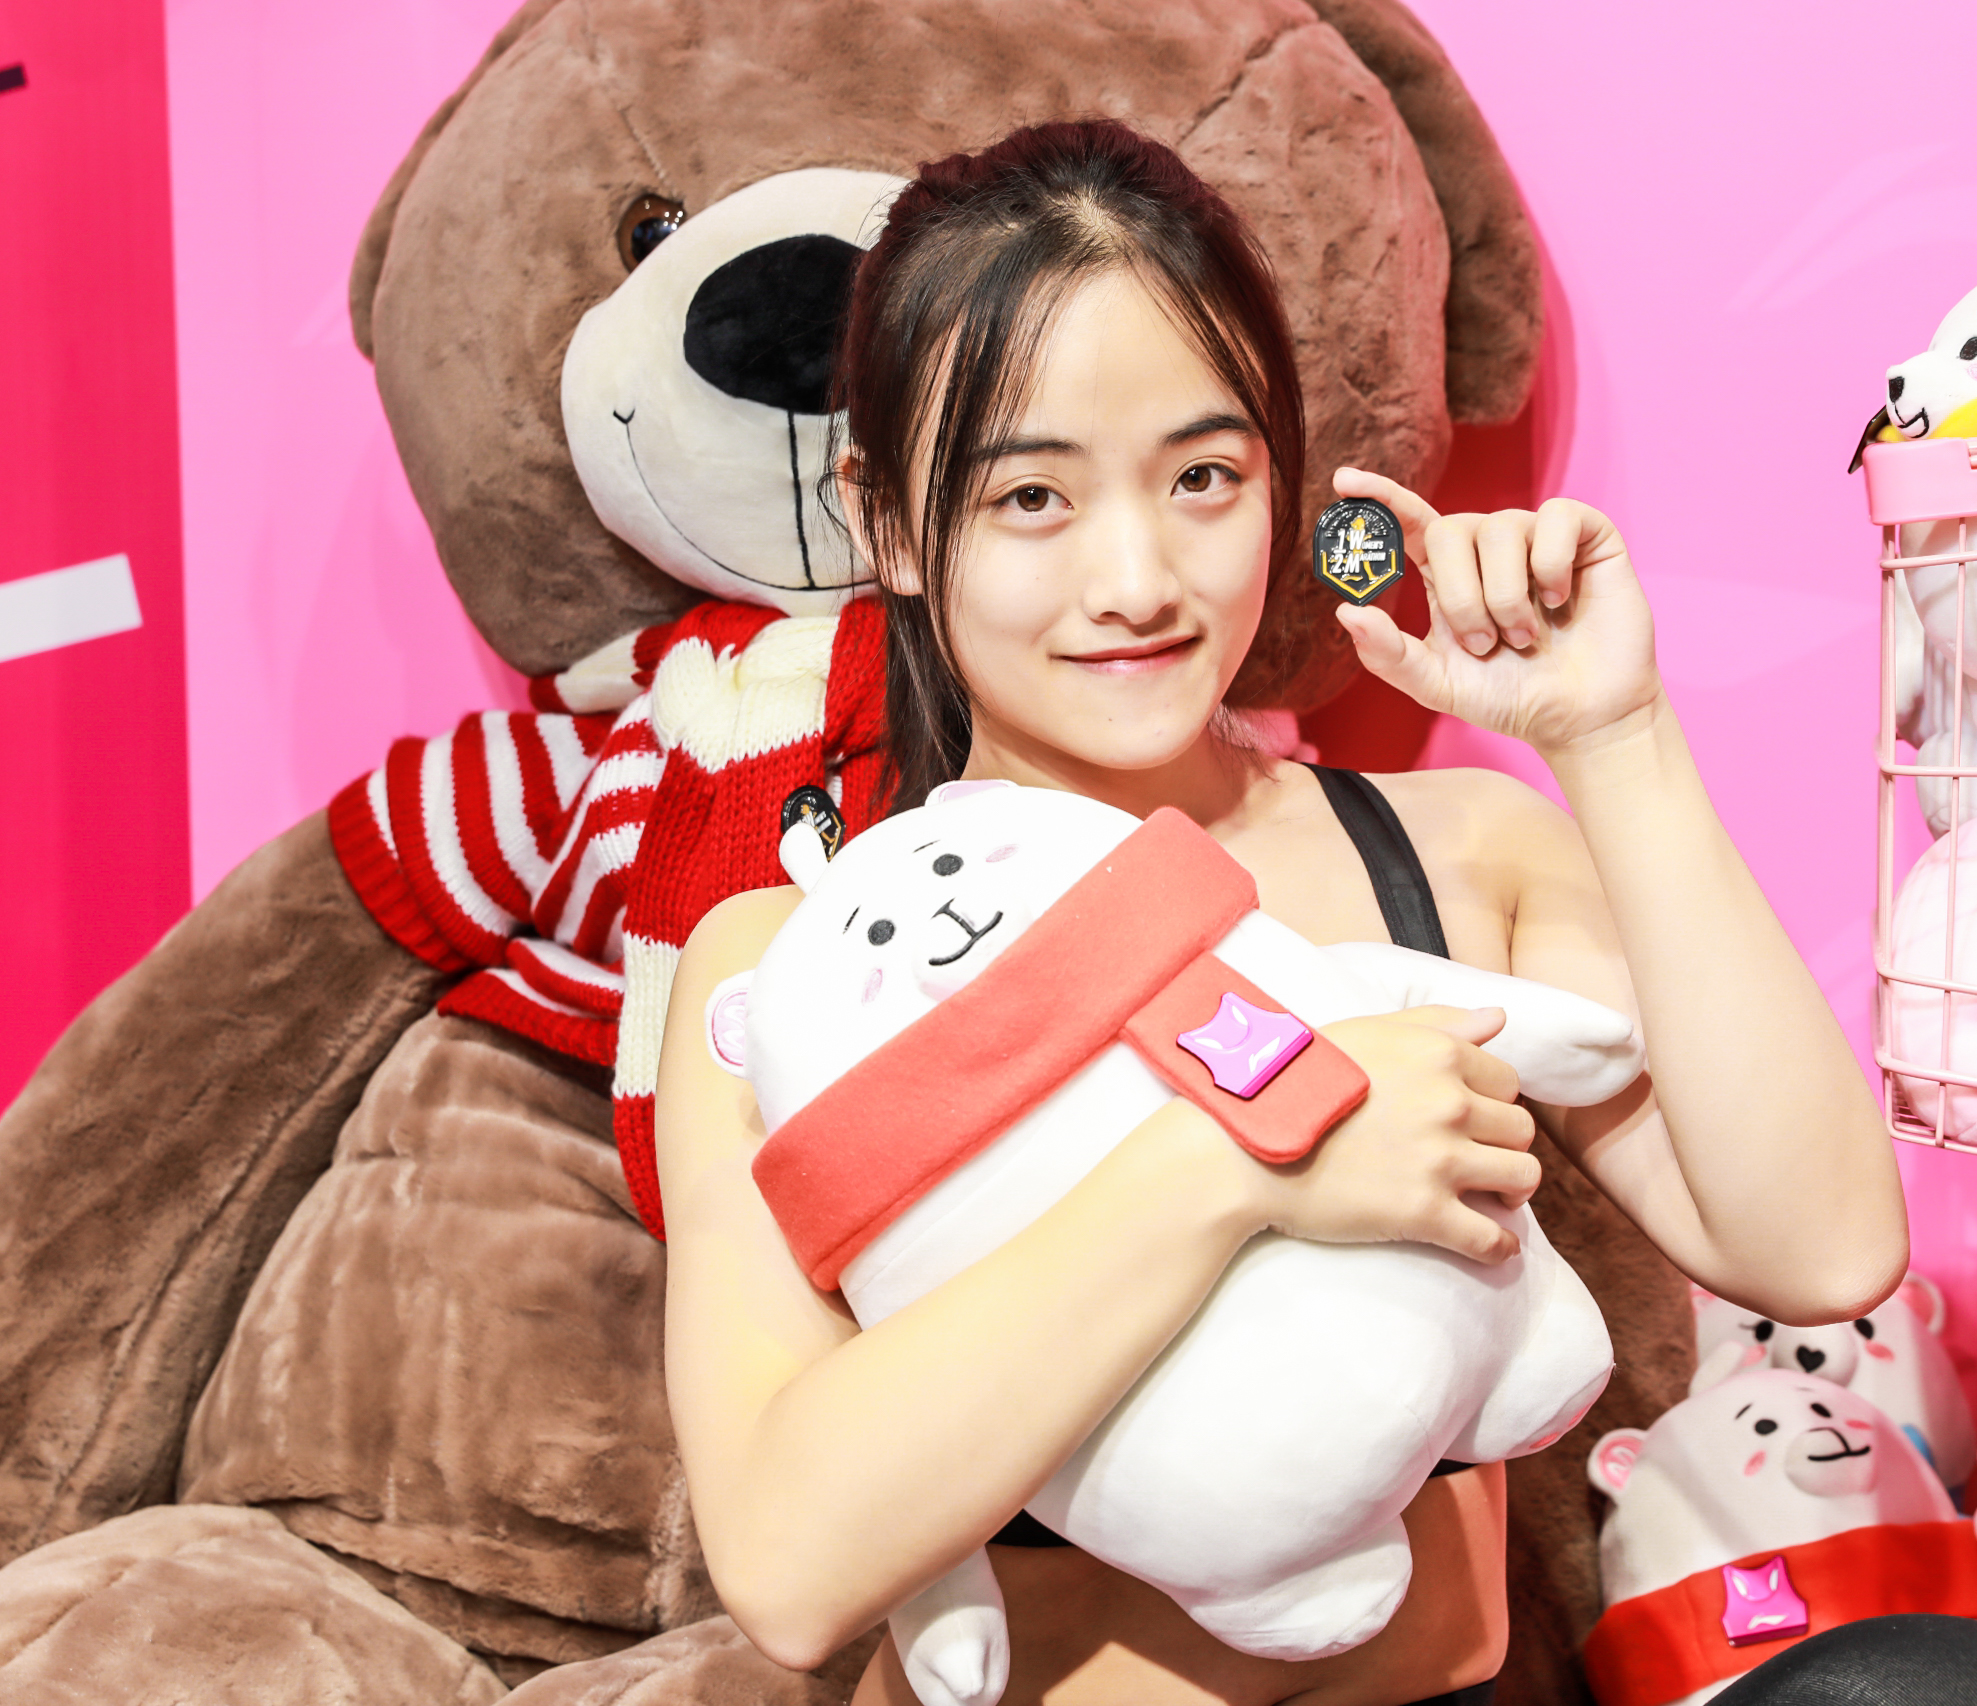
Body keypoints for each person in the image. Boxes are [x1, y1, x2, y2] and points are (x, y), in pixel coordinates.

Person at [653, 119, 1907, 1706]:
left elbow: (1822, 1246)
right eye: (1032, 496)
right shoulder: (788, 974)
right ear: (888, 518)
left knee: (1930, 1687)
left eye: (1203, 477)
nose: (1138, 577)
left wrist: (1617, 733)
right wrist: (1240, 1157)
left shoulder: (1450, 856)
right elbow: (789, 1560)